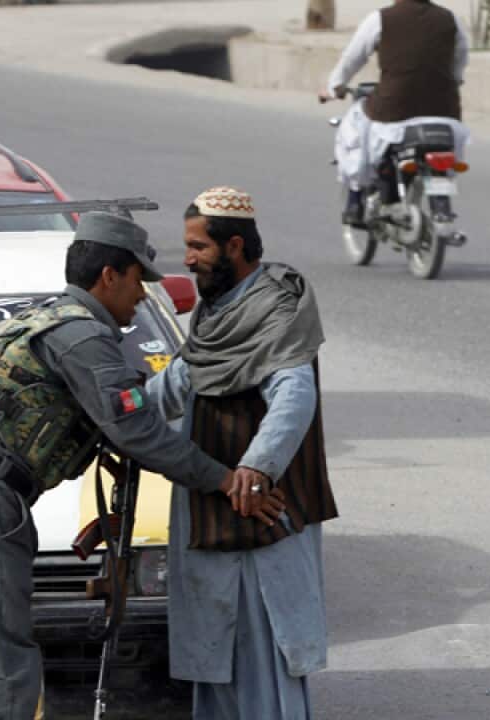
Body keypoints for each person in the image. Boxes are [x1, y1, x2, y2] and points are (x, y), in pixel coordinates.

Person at [0, 212, 264, 720]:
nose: (142, 295)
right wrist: (221, 478)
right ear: (109, 276)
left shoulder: (52, 319)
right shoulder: (82, 336)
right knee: (1, 668)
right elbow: (138, 430)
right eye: (137, 281)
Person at [146, 187, 338, 720]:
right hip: (213, 511)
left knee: (265, 665)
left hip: (263, 517)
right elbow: (183, 378)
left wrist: (256, 467)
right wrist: (123, 414)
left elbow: (294, 392)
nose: (187, 260)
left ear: (234, 246)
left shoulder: (275, 308)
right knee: (218, 666)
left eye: (197, 247)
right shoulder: (217, 310)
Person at [321, 0, 470, 225]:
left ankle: (354, 199)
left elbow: (353, 57)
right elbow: (459, 60)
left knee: (353, 125)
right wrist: (454, 81)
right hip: (444, 109)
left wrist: (334, 87)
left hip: (394, 109)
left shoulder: (380, 19)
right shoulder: (451, 20)